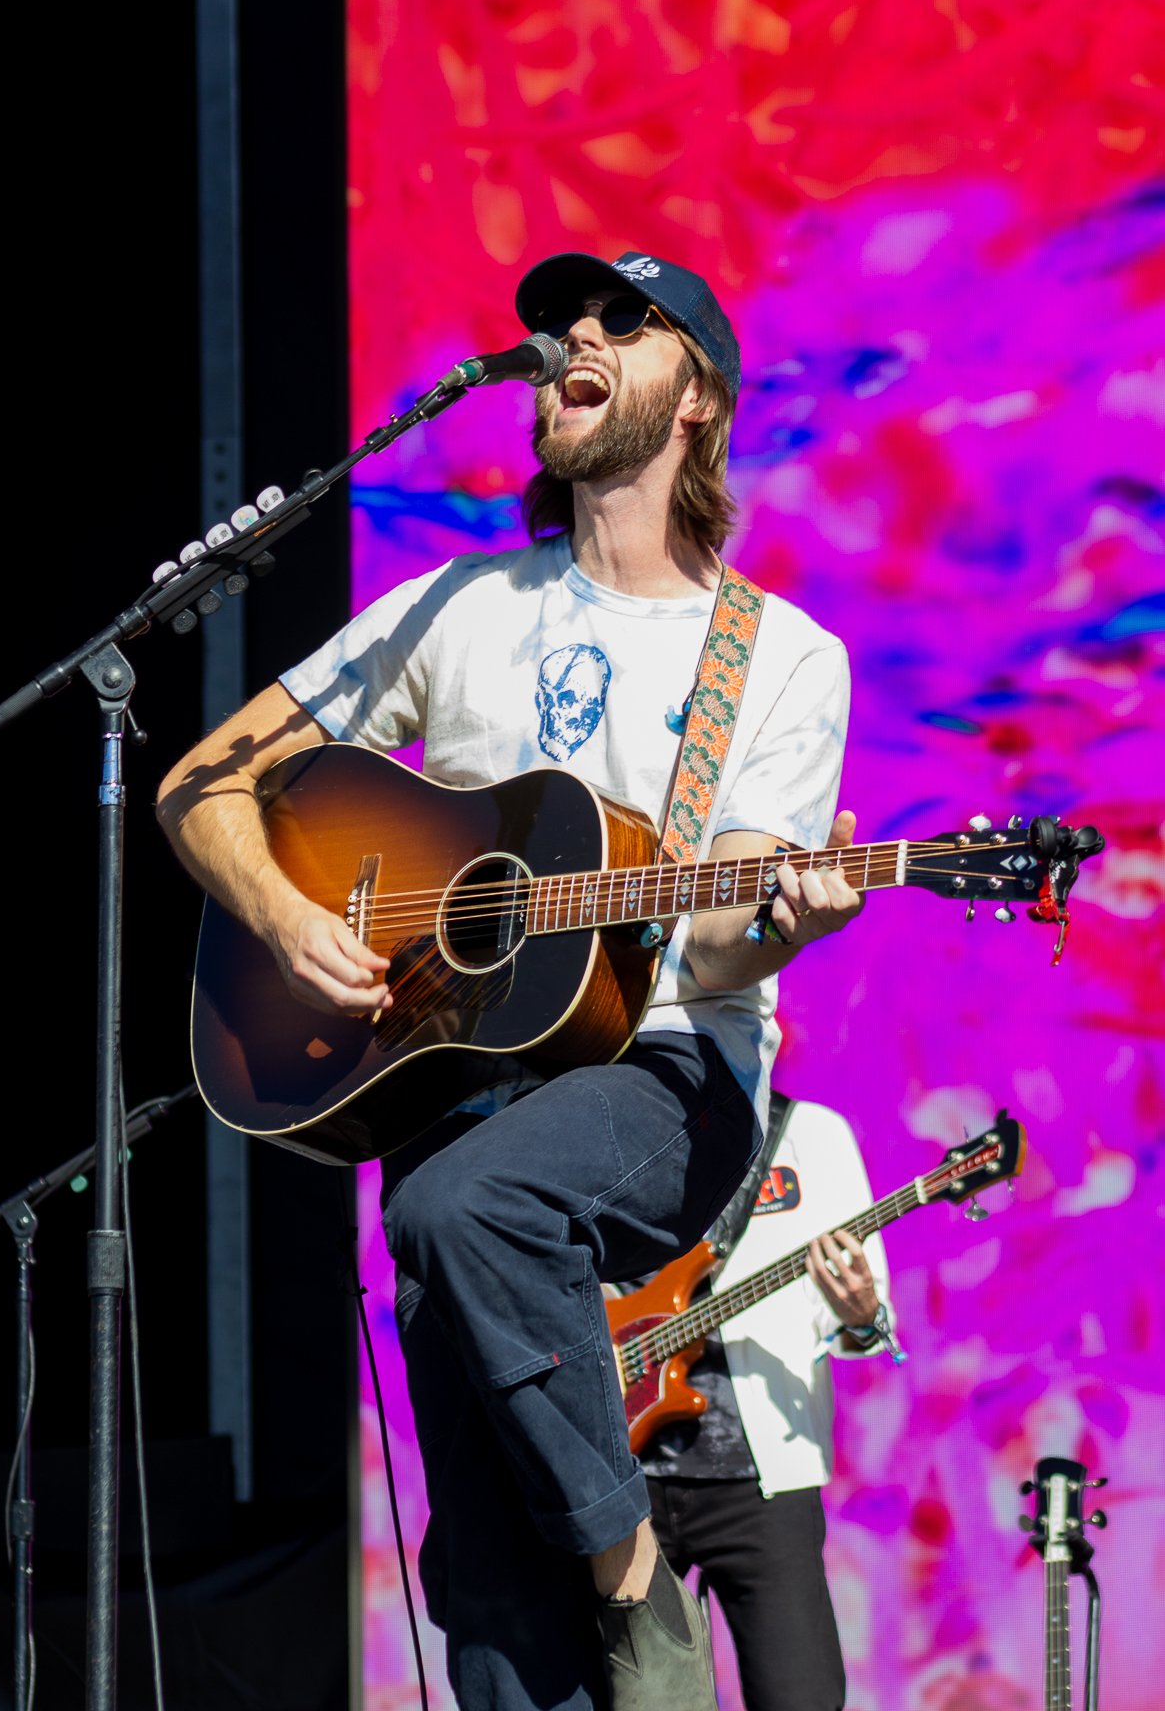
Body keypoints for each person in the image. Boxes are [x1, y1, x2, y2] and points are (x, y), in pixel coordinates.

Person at [157, 249, 866, 1711]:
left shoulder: (780, 659)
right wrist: (288, 918)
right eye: (566, 320)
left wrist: (786, 925)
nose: (576, 336)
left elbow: (721, 942)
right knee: (480, 1587)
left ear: (699, 407)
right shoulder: (456, 606)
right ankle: (569, 1604)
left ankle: (630, 1578)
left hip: (668, 1073)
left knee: (453, 1205)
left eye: (624, 321)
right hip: (462, 1077)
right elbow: (201, 782)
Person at [628, 1093, 896, 1711]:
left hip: (763, 1480)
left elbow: (866, 1317)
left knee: (802, 1693)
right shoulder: (611, 1120)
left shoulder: (811, 1134)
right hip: (625, 1477)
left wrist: (863, 1313)